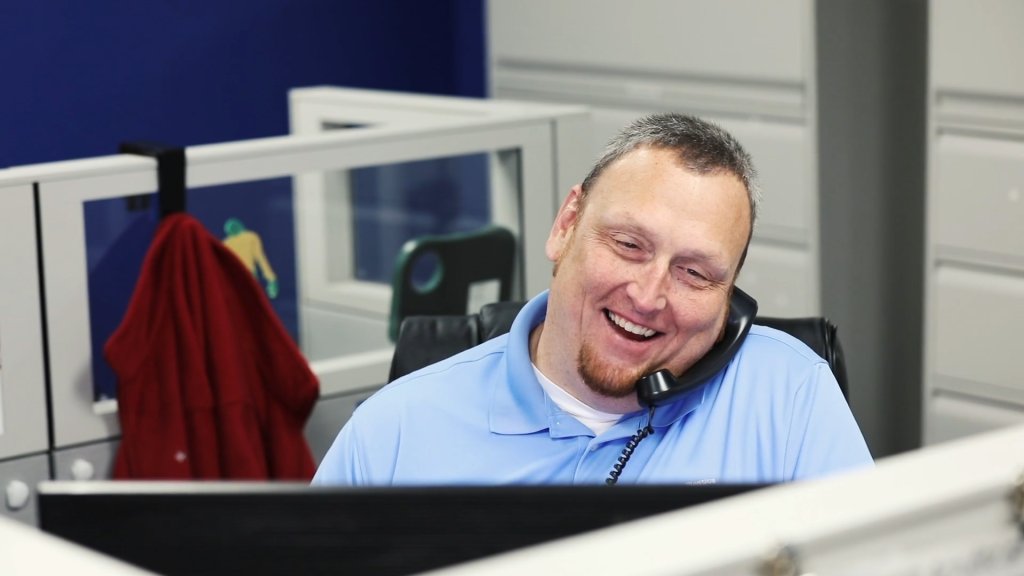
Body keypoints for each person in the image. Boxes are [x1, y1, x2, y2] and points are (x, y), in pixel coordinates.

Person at [313, 113, 873, 486]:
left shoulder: (791, 396)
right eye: (629, 245)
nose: (649, 296)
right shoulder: (394, 432)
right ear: (566, 225)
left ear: (730, 301)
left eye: (695, 273)